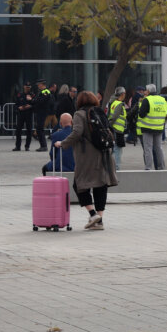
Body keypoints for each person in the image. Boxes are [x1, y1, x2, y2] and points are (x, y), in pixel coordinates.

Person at [55, 91, 119, 230]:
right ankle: (99, 221)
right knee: (101, 185)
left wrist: (63, 143)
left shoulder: (79, 114)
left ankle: (93, 214)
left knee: (79, 184)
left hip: (88, 156)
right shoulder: (99, 111)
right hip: (104, 153)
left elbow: (77, 132)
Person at [136, 83, 167, 170]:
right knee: (159, 148)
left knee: (148, 148)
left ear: (148, 91)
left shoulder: (147, 100)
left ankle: (148, 167)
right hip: (159, 127)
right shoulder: (162, 100)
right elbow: (165, 113)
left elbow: (141, 114)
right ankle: (161, 167)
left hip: (147, 128)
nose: (145, 91)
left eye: (146, 90)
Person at [106, 86, 129, 170]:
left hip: (114, 129)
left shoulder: (113, 102)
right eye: (125, 93)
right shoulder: (119, 104)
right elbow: (114, 117)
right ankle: (116, 167)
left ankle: (111, 166)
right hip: (117, 130)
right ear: (122, 94)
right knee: (118, 149)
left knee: (114, 149)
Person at [14, 82, 36, 151]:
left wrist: (30, 106)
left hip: (28, 114)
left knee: (29, 131)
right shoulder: (20, 94)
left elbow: (35, 104)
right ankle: (18, 146)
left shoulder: (32, 95)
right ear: (24, 87)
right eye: (26, 87)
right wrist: (19, 108)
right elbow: (16, 104)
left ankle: (27, 146)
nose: (27, 88)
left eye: (29, 87)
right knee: (18, 131)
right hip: (21, 114)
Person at [33, 79, 52, 150]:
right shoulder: (41, 92)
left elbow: (41, 101)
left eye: (38, 84)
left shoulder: (46, 91)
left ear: (42, 84)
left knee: (40, 129)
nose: (38, 86)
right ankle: (43, 145)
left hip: (42, 112)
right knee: (39, 129)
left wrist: (34, 100)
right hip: (40, 112)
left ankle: (43, 146)